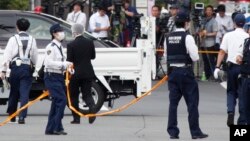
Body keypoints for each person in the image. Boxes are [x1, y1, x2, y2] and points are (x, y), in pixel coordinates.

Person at [165, 11, 208, 139]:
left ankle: (173, 132)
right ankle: (195, 132)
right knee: (192, 104)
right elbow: (195, 57)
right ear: (186, 23)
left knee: (173, 104)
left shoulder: (168, 37)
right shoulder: (187, 37)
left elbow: (166, 56)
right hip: (185, 73)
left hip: (172, 73)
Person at [0, 18, 38, 124]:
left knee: (14, 92)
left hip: (15, 68)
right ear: (28, 27)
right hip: (26, 68)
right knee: (24, 93)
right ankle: (22, 117)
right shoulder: (32, 39)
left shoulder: (13, 39)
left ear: (17, 27)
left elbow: (7, 55)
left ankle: (12, 114)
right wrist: (34, 65)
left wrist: (3, 70)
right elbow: (35, 55)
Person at [214, 13, 248, 126]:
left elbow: (222, 52)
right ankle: (242, 119)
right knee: (243, 94)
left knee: (231, 92)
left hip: (231, 67)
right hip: (244, 68)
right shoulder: (247, 37)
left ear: (234, 23)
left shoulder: (228, 35)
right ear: (244, 24)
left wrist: (217, 67)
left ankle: (230, 111)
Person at [44, 23, 72, 135]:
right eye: (59, 31)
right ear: (54, 34)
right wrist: (63, 64)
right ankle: (56, 127)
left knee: (56, 102)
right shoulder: (51, 47)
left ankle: (52, 128)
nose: (62, 33)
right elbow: (48, 62)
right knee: (61, 100)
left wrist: (68, 68)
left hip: (58, 76)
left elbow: (61, 62)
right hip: (51, 76)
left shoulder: (59, 46)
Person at [67, 23, 97, 124]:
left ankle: (76, 118)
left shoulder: (71, 44)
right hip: (88, 71)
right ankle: (92, 107)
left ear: (74, 32)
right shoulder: (89, 42)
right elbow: (93, 57)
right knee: (87, 93)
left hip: (75, 73)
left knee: (73, 95)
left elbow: (69, 60)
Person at [236, 28, 250, 125]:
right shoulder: (246, 42)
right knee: (245, 106)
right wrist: (238, 57)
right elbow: (239, 53)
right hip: (246, 78)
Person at [200, 5, 218, 80]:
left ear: (212, 11)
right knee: (205, 60)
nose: (208, 11)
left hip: (210, 44)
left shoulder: (214, 21)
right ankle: (207, 75)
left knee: (211, 60)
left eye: (210, 10)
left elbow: (215, 33)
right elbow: (200, 30)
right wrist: (200, 33)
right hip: (203, 43)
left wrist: (206, 34)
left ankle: (213, 75)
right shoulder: (203, 20)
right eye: (207, 10)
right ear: (205, 11)